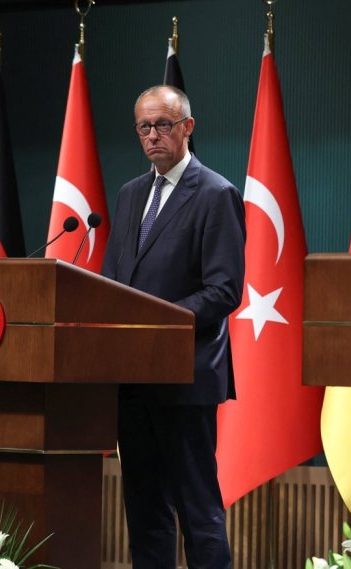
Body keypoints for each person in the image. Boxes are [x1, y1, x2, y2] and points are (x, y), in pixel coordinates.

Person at [101, 85, 245, 569]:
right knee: (145, 515)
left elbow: (225, 290)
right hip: (132, 382)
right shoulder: (128, 195)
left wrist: (156, 326)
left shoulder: (216, 193)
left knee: (198, 512)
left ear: (188, 126)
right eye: (144, 127)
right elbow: (112, 281)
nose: (153, 136)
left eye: (163, 124)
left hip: (185, 379)